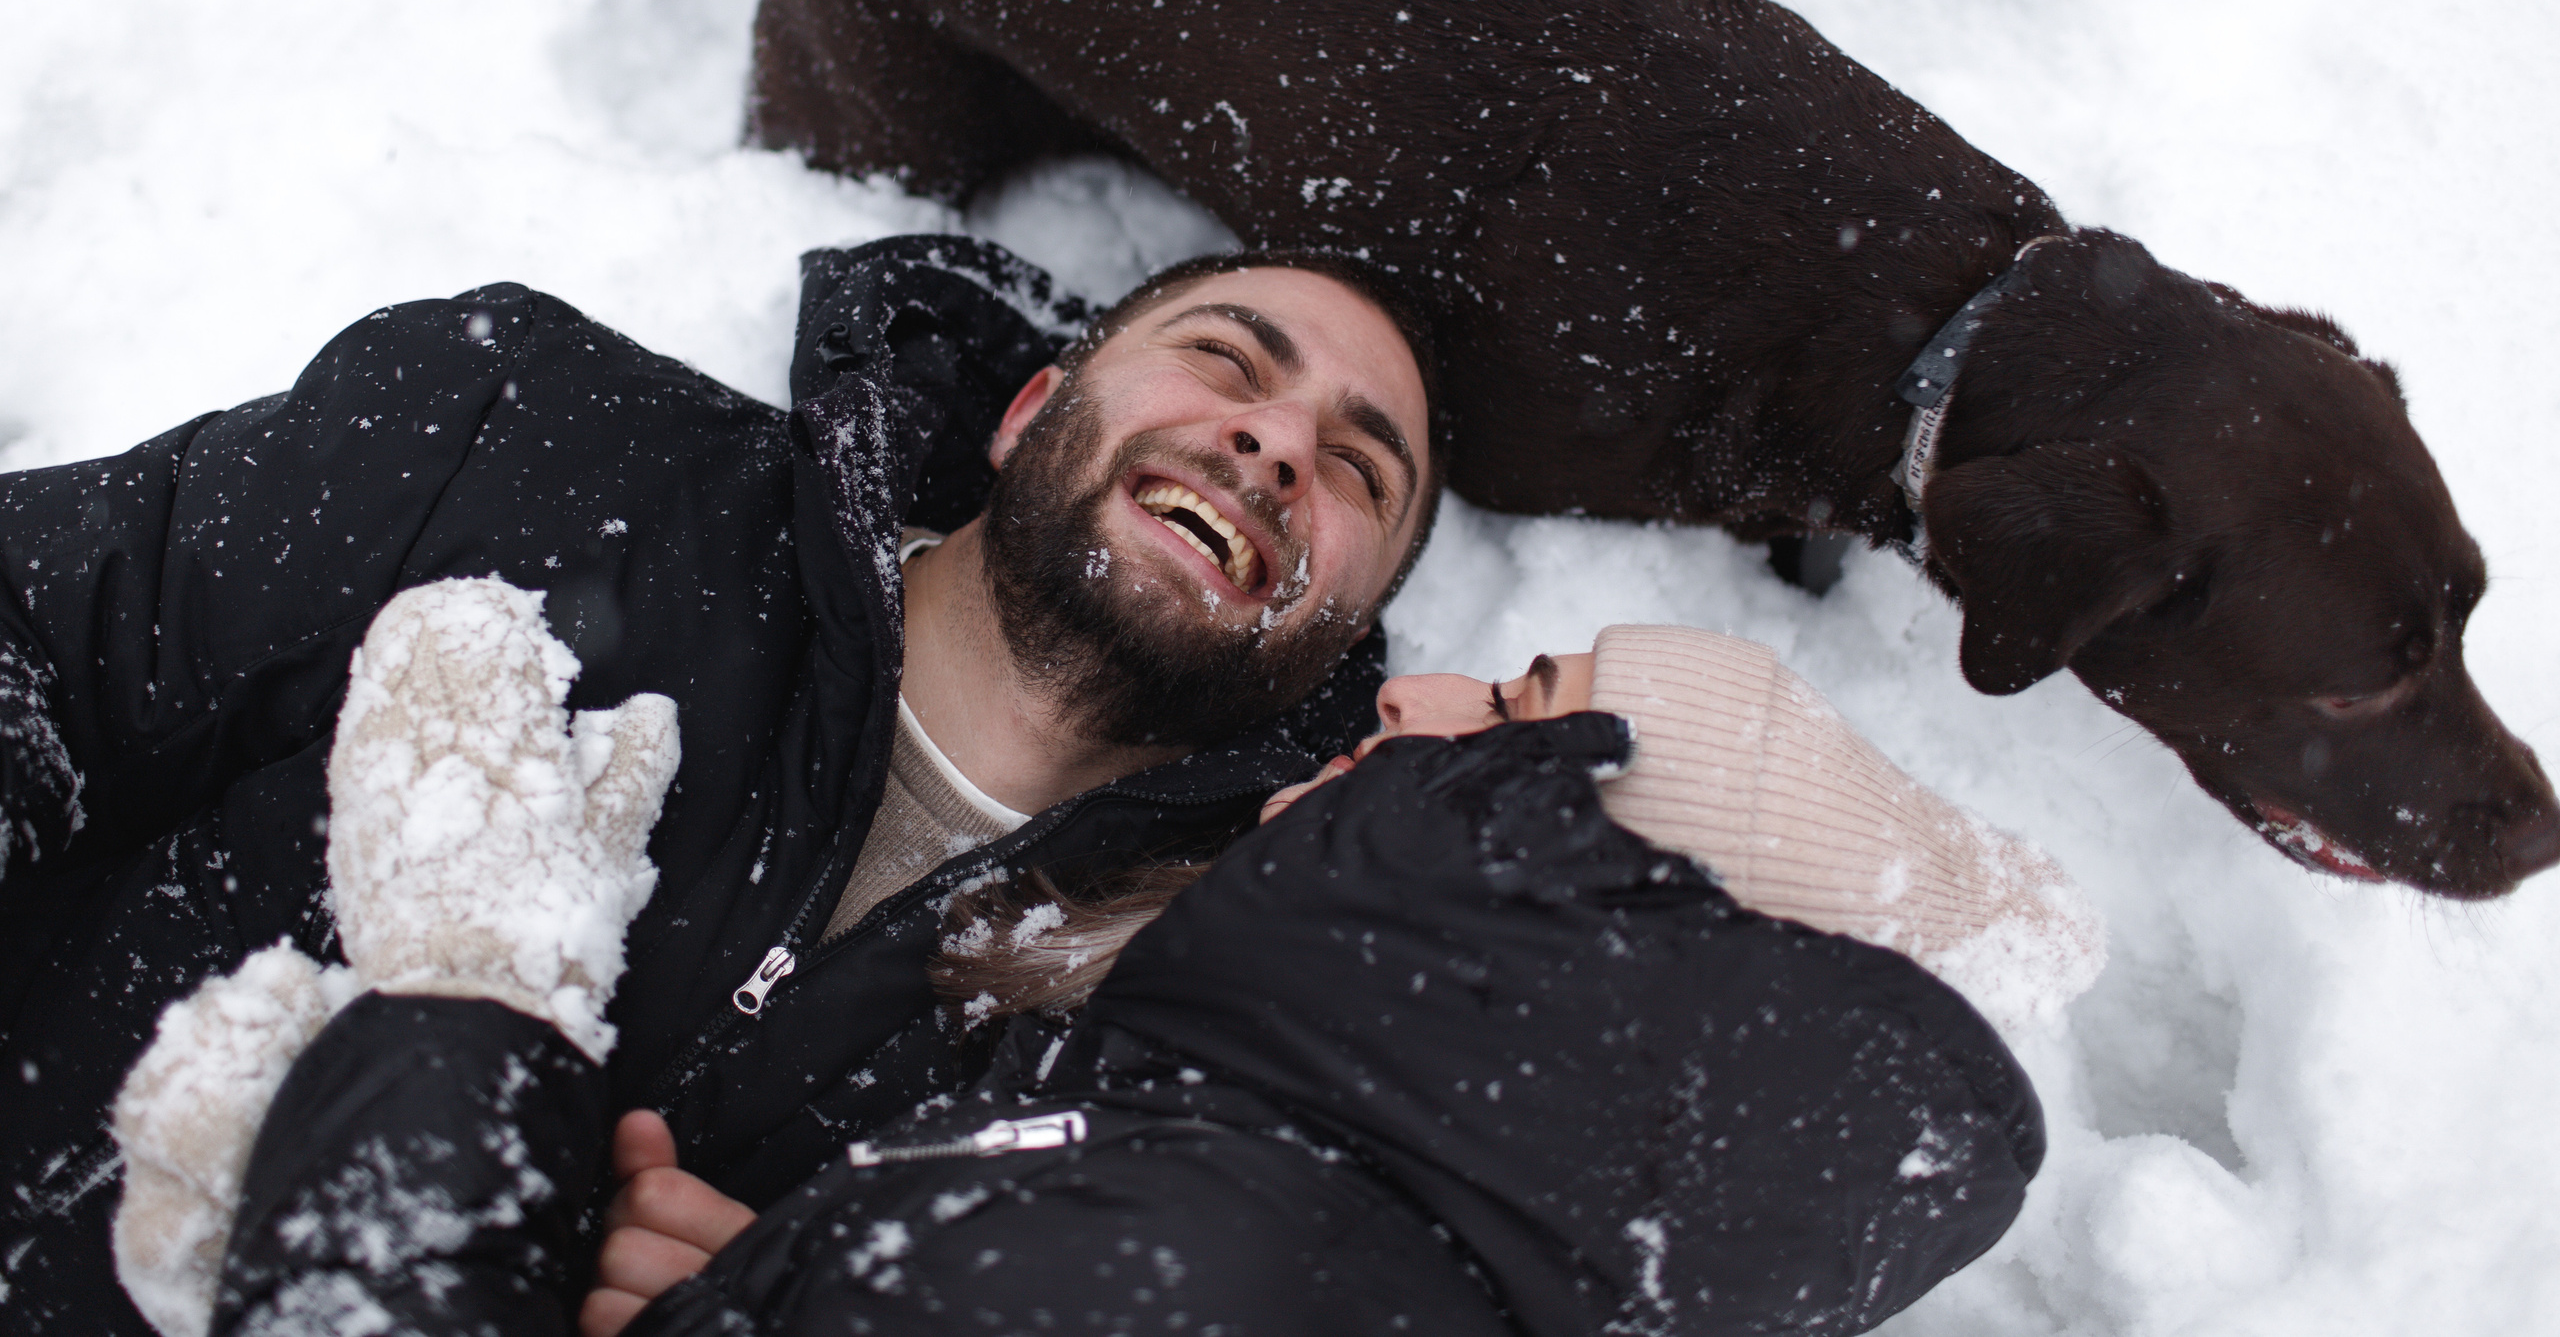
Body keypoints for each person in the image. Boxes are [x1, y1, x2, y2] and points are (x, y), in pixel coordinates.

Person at [0, 233, 1443, 1332]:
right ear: (1026, 412)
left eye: (1361, 473)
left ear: (1339, 638)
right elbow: (40, 633)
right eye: (1227, 361)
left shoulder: (1175, 1031)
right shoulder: (543, 445)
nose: (1280, 445)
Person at [128, 591, 2095, 1336]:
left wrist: (464, 1011)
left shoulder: (1198, 1271)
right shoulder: (1298, 1230)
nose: (1412, 692)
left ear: (1606, 910)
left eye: (1517, 708)